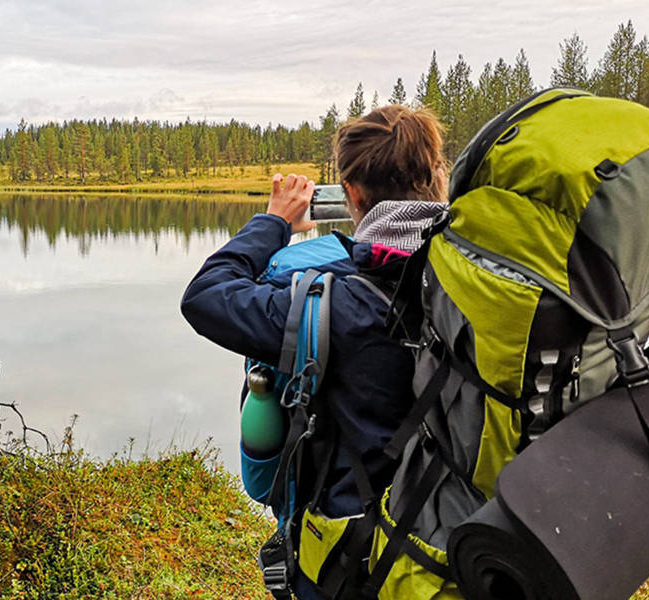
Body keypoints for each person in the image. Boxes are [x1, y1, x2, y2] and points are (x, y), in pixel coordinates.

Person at [180, 104, 449, 599]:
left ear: (350, 194)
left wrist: (273, 222)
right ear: (438, 177)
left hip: (349, 560)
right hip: (459, 540)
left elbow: (205, 297)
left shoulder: (333, 305)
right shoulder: (478, 285)